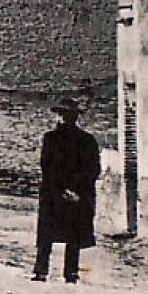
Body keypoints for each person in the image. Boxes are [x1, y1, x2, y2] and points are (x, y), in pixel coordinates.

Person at [33, 96, 101, 283]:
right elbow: (93, 169)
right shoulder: (87, 140)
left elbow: (46, 167)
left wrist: (61, 189)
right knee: (73, 234)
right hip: (77, 195)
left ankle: (41, 271)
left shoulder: (50, 139)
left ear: (59, 117)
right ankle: (70, 273)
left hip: (54, 194)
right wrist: (76, 191)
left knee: (47, 233)